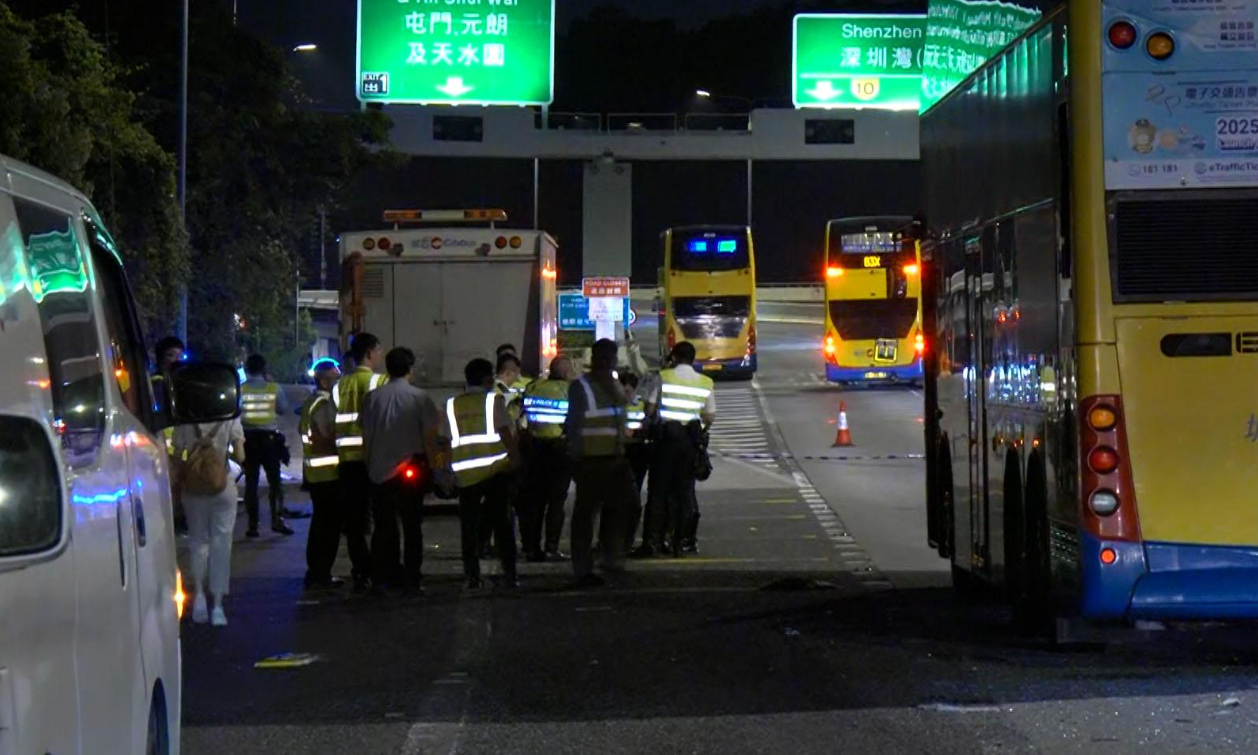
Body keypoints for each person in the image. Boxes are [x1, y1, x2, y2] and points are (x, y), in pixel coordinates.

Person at [362, 347, 440, 597]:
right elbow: (430, 438)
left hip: (379, 470)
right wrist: (436, 468)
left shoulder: (373, 398)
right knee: (412, 525)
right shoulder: (420, 398)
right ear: (410, 369)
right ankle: (412, 577)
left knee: (383, 526)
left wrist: (369, 464)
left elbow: (366, 436)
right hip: (411, 468)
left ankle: (383, 575)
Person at [441, 358, 522, 590]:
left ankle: (473, 576)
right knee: (502, 525)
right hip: (495, 472)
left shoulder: (451, 405)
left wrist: (444, 471)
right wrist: (516, 458)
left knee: (469, 527)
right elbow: (506, 433)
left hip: (465, 476)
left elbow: (445, 443)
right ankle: (510, 574)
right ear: (488, 379)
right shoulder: (493, 401)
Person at [566, 339, 635, 587]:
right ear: (595, 359)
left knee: (624, 509)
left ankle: (611, 557)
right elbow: (573, 425)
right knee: (586, 517)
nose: (608, 362)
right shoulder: (581, 387)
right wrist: (575, 458)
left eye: (611, 358)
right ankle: (584, 569)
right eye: (604, 357)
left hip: (615, 458)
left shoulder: (614, 385)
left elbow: (621, 416)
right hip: (591, 460)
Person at [640, 342, 715, 557]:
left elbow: (650, 408)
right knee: (684, 493)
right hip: (689, 442)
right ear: (693, 359)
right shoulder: (705, 382)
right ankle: (681, 543)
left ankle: (652, 543)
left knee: (658, 493)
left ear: (673, 357)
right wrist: (699, 428)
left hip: (665, 441)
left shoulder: (663, 377)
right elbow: (710, 415)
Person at [173, 414, 245, 626]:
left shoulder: (185, 417)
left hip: (193, 489)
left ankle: (199, 598)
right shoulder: (230, 416)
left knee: (198, 542)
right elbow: (241, 456)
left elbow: (177, 454)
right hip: (221, 486)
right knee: (221, 543)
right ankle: (218, 606)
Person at [334, 333, 387, 591]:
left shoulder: (338, 386)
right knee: (380, 516)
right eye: (378, 351)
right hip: (374, 458)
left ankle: (360, 569)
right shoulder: (380, 381)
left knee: (354, 521)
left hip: (346, 461)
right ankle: (379, 568)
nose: (380, 356)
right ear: (369, 353)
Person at [520, 354, 575, 562]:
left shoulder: (534, 387)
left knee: (534, 502)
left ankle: (531, 547)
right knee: (555, 502)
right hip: (558, 450)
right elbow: (574, 420)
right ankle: (551, 547)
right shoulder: (568, 391)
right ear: (566, 373)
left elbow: (522, 413)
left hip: (534, 449)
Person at [301, 361, 344, 590]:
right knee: (328, 526)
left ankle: (316, 571)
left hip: (315, 472)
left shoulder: (311, 402)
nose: (339, 381)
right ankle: (321, 573)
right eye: (335, 377)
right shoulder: (325, 403)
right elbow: (326, 437)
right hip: (328, 473)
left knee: (320, 523)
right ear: (324, 380)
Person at [240, 354, 295, 537]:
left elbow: (236, 412)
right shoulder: (273, 387)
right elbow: (282, 409)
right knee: (274, 481)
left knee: (251, 482)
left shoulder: (241, 389)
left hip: (248, 439)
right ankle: (277, 521)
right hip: (269, 440)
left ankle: (252, 526)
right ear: (264, 369)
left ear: (247, 369)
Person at [152, 336, 186, 532]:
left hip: (181, 444)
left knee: (180, 488)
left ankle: (178, 521)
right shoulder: (157, 383)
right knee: (169, 488)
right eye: (170, 355)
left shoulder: (181, 382)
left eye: (180, 355)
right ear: (160, 359)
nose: (176, 359)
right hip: (163, 444)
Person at [620, 371, 652, 552]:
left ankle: (627, 540)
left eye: (627, 391)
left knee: (633, 498)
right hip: (618, 453)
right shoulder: (612, 405)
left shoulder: (641, 406)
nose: (624, 395)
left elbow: (648, 428)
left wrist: (634, 433)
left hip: (637, 453)